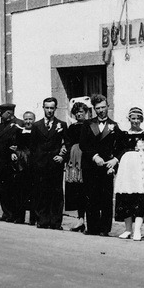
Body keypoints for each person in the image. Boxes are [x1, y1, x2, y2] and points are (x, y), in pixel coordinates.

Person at [113, 107, 144, 241]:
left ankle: (137, 230)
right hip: (126, 170)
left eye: (138, 119)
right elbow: (118, 152)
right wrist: (114, 168)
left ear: (142, 120)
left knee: (140, 198)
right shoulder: (123, 135)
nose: (135, 121)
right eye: (133, 118)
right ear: (129, 119)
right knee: (126, 197)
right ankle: (128, 229)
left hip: (141, 169)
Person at [79, 94, 123, 236]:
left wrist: (115, 160)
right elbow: (83, 144)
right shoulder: (87, 124)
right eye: (98, 108)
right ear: (94, 109)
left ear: (108, 107)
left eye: (103, 107)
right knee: (91, 197)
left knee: (105, 198)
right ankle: (92, 228)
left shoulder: (114, 126)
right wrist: (94, 156)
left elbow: (121, 146)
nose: (101, 110)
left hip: (106, 167)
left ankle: (105, 229)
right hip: (90, 166)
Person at [30, 97, 67, 230]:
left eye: (52, 108)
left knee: (56, 193)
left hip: (55, 164)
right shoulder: (36, 125)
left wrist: (62, 156)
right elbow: (32, 146)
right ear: (43, 108)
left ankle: (56, 222)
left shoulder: (61, 125)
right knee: (41, 192)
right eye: (47, 108)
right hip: (40, 164)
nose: (49, 110)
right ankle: (42, 220)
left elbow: (66, 143)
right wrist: (36, 161)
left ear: (55, 108)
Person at [0, 103, 30, 223]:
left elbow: (24, 143)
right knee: (3, 189)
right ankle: (6, 213)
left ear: (9, 112)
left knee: (14, 189)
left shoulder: (19, 124)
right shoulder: (0, 126)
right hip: (1, 162)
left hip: (13, 163)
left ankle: (14, 214)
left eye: (2, 113)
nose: (0, 116)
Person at [64, 99, 91, 232]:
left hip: (86, 159)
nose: (79, 114)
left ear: (86, 112)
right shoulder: (72, 127)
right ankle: (80, 220)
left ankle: (89, 221)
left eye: (81, 112)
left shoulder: (90, 125)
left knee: (87, 189)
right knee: (77, 190)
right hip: (74, 161)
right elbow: (68, 141)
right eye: (76, 112)